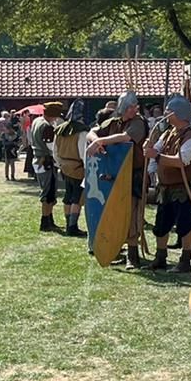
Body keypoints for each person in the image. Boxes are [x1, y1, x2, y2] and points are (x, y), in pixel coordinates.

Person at [86, 91, 151, 266]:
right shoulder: (113, 122)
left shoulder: (138, 122)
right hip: (113, 176)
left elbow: (125, 137)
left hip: (134, 176)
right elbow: (91, 132)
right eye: (131, 107)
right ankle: (113, 249)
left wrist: (100, 142)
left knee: (132, 216)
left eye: (135, 106)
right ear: (123, 107)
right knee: (113, 213)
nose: (134, 110)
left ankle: (132, 255)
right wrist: (95, 140)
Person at [146, 96, 191, 273]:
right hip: (166, 187)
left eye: (169, 111)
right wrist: (150, 153)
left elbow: (181, 160)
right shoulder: (168, 133)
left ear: (179, 114)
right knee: (161, 223)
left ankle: (185, 260)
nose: (165, 114)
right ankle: (160, 258)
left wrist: (156, 156)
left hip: (184, 188)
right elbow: (155, 150)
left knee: (184, 224)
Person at [51, 101, 91, 237]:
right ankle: (72, 227)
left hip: (65, 167)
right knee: (76, 198)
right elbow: (84, 153)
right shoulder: (82, 132)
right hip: (78, 168)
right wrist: (86, 169)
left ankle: (69, 225)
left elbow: (55, 152)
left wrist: (60, 164)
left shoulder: (60, 129)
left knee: (68, 196)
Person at [29, 101, 65, 232]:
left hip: (38, 159)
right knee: (48, 193)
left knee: (48, 191)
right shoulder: (47, 127)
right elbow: (51, 148)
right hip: (46, 161)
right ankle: (45, 221)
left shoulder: (36, 121)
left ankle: (49, 219)